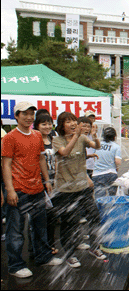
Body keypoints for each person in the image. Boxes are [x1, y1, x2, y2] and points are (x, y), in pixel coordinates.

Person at [2, 102, 63, 278]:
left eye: (31, 114)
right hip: (18, 189)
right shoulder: (10, 138)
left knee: (40, 226)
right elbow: (5, 164)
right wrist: (10, 190)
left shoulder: (37, 135)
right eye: (24, 114)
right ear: (16, 116)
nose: (29, 117)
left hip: (37, 188)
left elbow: (41, 159)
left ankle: (43, 257)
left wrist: (47, 181)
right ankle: (15, 265)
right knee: (15, 231)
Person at [52, 111, 106, 268]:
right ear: (62, 125)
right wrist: (75, 136)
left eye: (73, 120)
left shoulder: (82, 138)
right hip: (65, 189)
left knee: (94, 216)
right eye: (68, 121)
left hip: (82, 187)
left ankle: (95, 247)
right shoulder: (57, 140)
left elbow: (97, 146)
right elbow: (64, 152)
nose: (72, 123)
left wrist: (95, 135)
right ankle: (70, 255)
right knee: (70, 222)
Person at [33, 113, 58, 255]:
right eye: (44, 124)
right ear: (37, 125)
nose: (47, 126)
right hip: (41, 182)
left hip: (54, 181)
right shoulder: (35, 139)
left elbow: (57, 160)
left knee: (52, 215)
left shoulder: (53, 139)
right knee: (40, 218)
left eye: (49, 123)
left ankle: (50, 245)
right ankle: (38, 249)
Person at [92, 127, 122, 199]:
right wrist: (116, 167)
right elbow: (117, 161)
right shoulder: (116, 147)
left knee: (99, 198)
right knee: (112, 197)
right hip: (111, 173)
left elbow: (93, 157)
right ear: (114, 136)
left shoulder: (97, 144)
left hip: (97, 174)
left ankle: (100, 209)